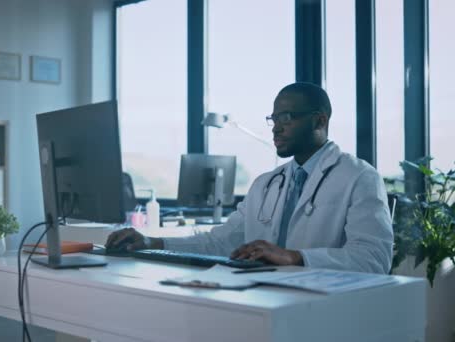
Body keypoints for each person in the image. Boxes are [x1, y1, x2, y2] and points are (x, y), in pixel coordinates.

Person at [106, 82, 394, 274]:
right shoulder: (266, 184)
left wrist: (295, 256)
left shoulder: (359, 177)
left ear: (320, 120)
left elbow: (374, 259)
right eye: (274, 118)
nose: (276, 128)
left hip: (323, 310)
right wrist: (153, 242)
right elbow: (219, 241)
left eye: (287, 117)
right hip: (264, 297)